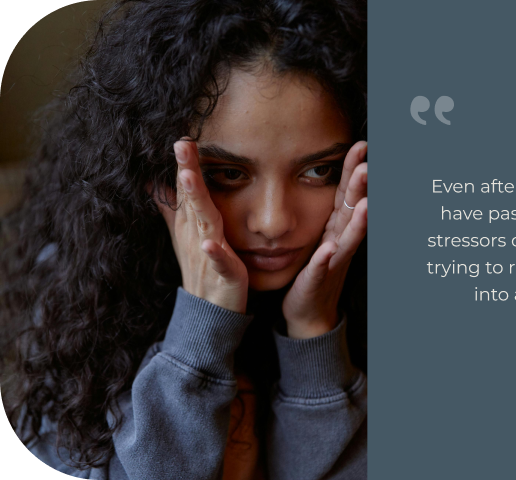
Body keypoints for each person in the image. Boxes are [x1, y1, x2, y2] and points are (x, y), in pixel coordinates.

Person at [0, 0, 367, 478]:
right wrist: (201, 330)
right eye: (227, 174)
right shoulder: (76, 296)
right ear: (155, 171)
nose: (274, 222)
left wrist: (315, 331)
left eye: (319, 171)